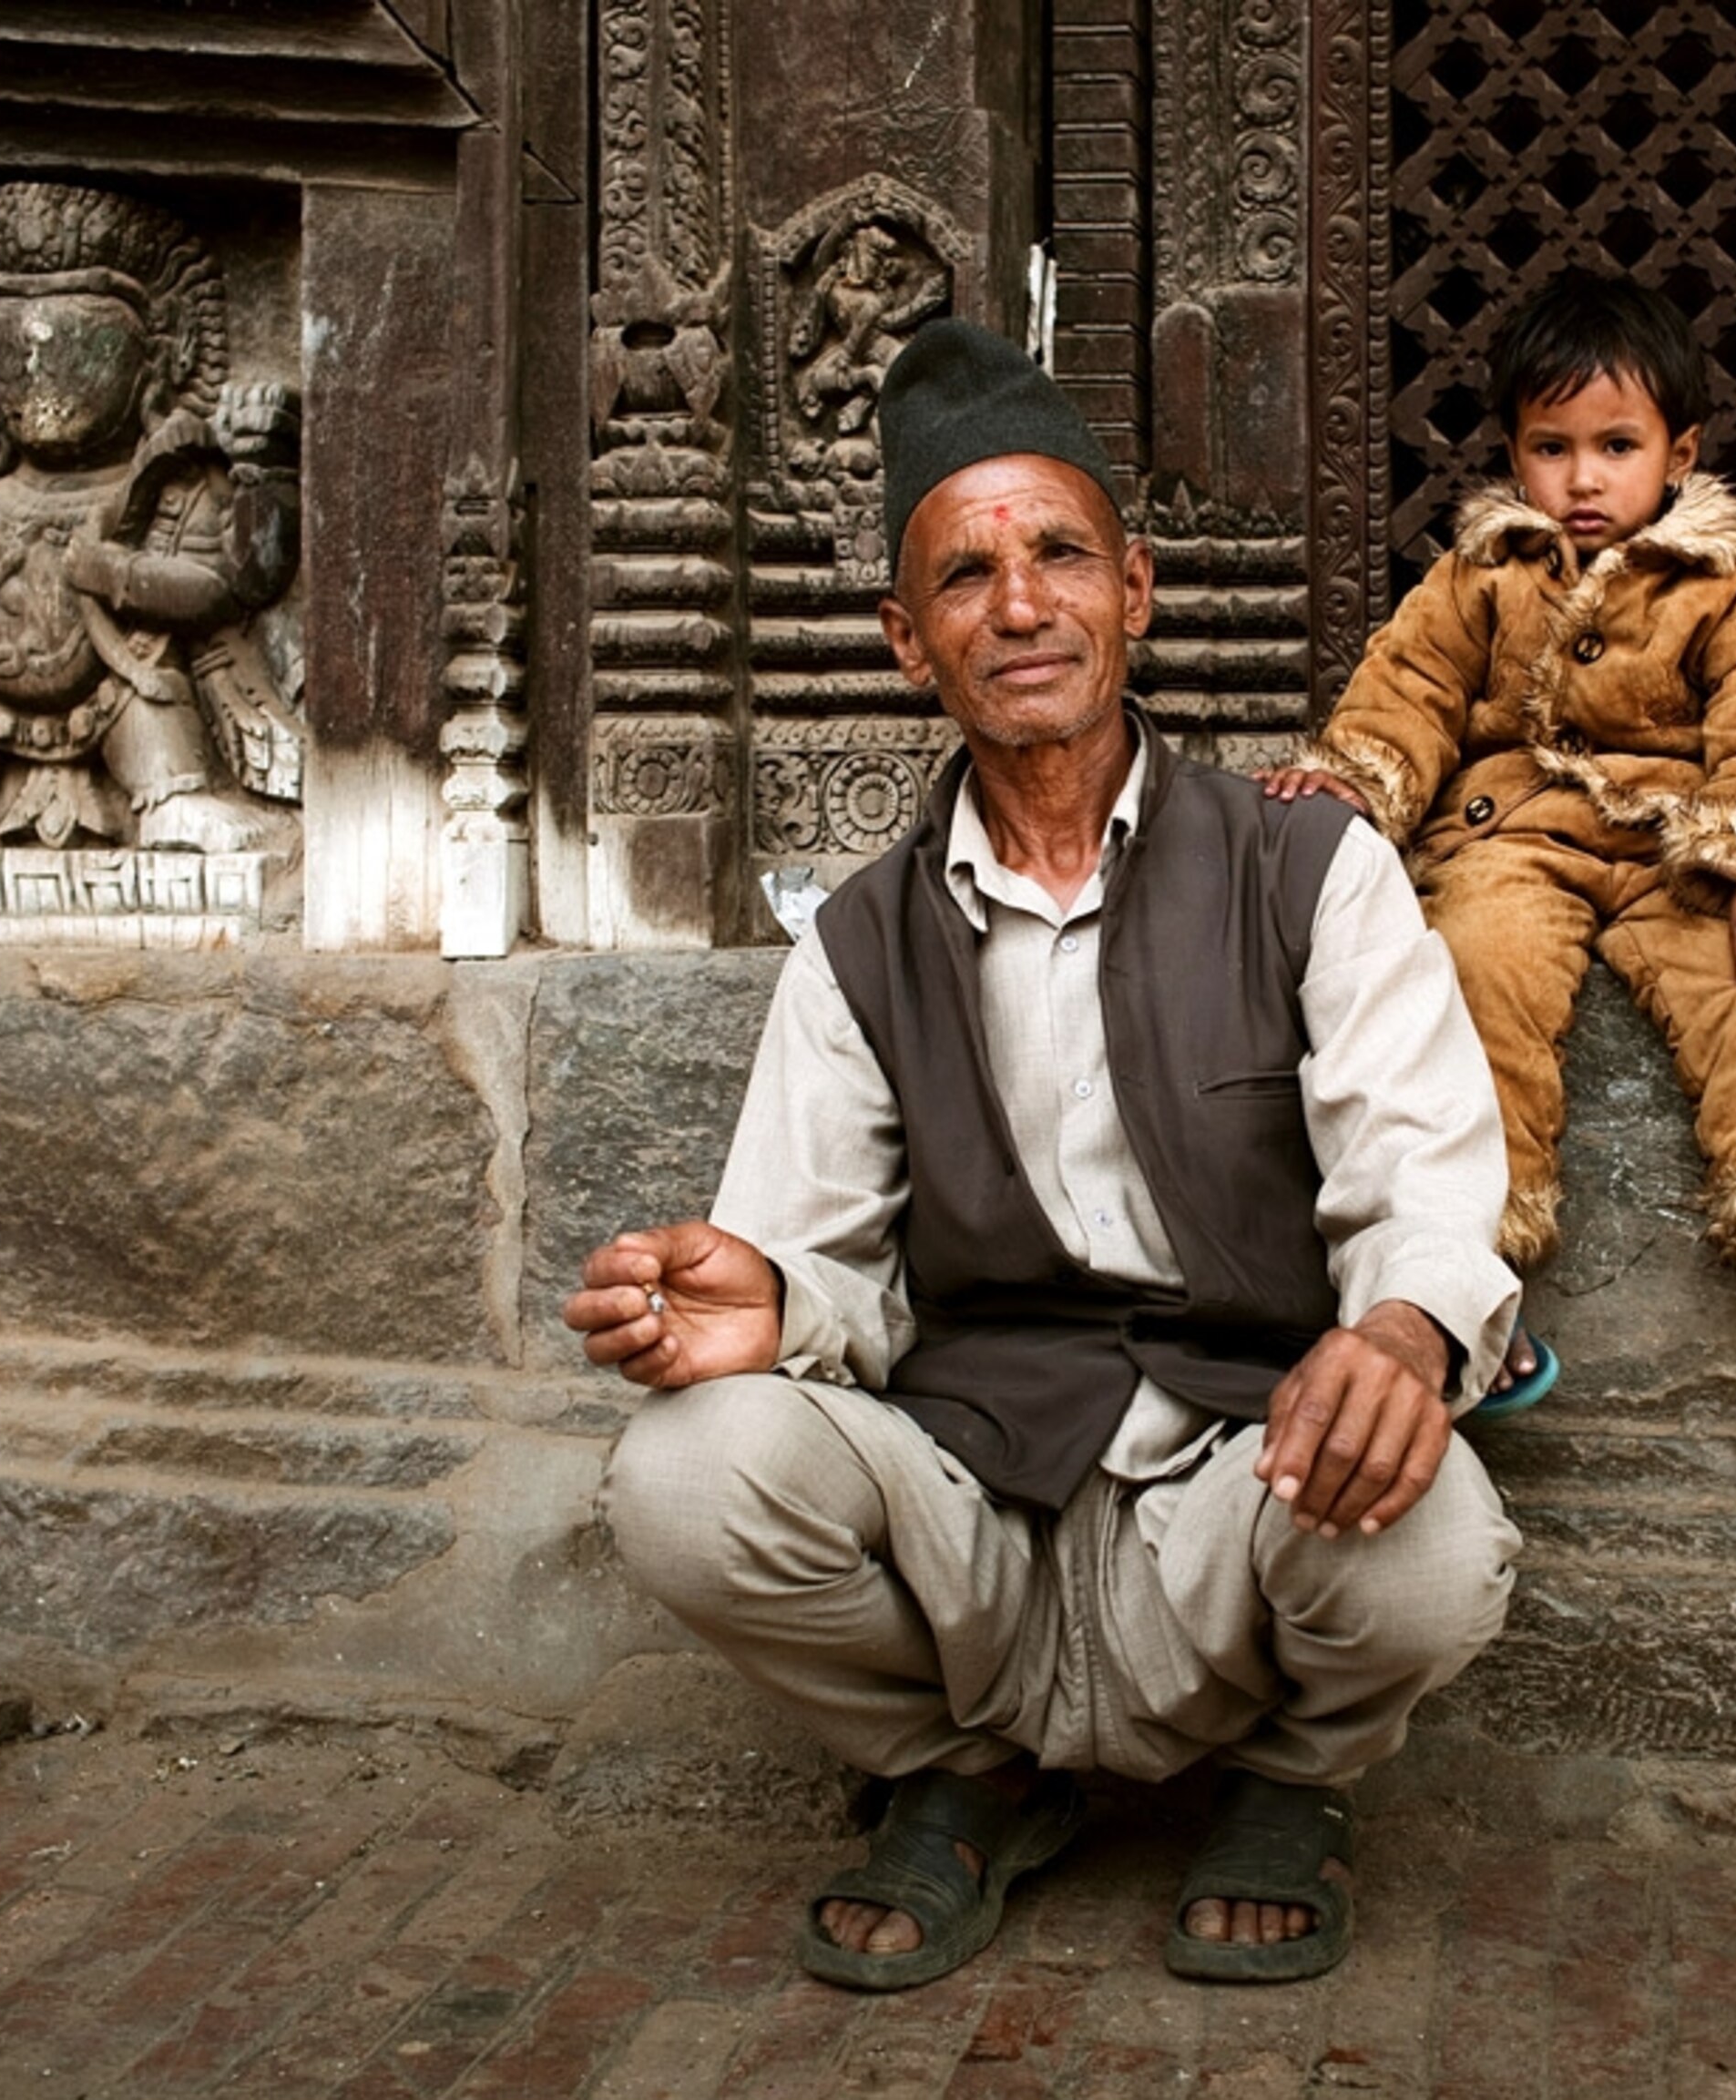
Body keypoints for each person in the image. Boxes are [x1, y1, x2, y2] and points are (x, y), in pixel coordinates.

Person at [565, 318, 1524, 1992]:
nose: (1019, 606)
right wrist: (765, 1309)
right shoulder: (859, 943)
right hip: (978, 1500)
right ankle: (967, 1774)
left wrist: (1396, 1334)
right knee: (683, 1473)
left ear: (1133, 591)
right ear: (905, 637)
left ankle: (1289, 1787)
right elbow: (817, 1266)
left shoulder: (1309, 869)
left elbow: (1422, 1182)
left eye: (1059, 555)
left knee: (1432, 1533)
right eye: (965, 575)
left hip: (1242, 1475)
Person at [1261, 269, 1736, 1403]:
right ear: (1512, 451)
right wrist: (1356, 779)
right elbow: (1416, 682)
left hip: (1676, 851)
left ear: (1679, 451)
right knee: (1471, 971)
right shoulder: (1484, 573)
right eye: (1551, 446)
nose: (1582, 479)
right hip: (1517, 833)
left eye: (1617, 445)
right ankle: (1471, 1273)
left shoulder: (1733, 588)